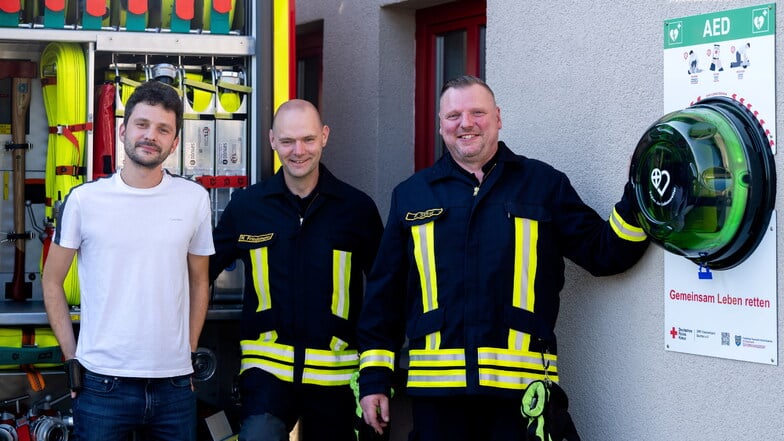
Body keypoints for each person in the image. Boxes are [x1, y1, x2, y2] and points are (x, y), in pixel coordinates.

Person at [357, 75, 649, 441]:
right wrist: (373, 380)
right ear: (440, 125)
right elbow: (384, 299)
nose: (466, 123)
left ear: (497, 118)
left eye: (477, 112)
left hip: (522, 399)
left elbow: (604, 251)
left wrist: (638, 196)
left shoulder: (543, 185)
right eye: (453, 115)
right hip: (438, 403)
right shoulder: (411, 196)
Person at [42, 80, 214, 441]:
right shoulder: (84, 200)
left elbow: (201, 281)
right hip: (102, 385)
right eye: (142, 124)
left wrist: (189, 352)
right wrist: (71, 357)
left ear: (175, 142)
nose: (151, 135)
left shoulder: (194, 199)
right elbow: (52, 280)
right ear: (123, 130)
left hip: (174, 387)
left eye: (163, 129)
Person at [210, 99, 383, 441]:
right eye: (287, 141)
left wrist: (377, 373)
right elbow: (200, 272)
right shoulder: (247, 206)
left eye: (307, 139)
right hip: (266, 377)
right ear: (272, 140)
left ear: (324, 137)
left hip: (337, 380)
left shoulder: (357, 209)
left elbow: (385, 293)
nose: (298, 151)